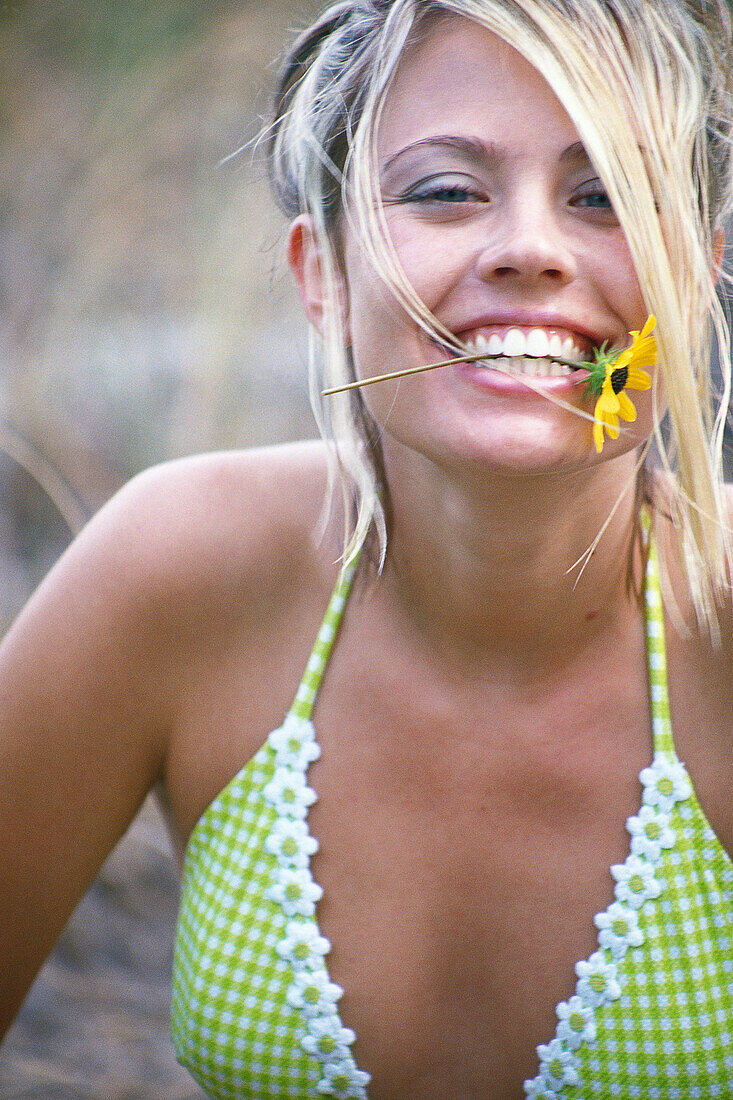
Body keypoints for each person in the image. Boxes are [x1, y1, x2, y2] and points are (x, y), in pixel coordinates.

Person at [2, 0, 732, 1096]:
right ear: (322, 275)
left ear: (700, 274)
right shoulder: (178, 570)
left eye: (607, 195)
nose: (530, 247)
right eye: (445, 189)